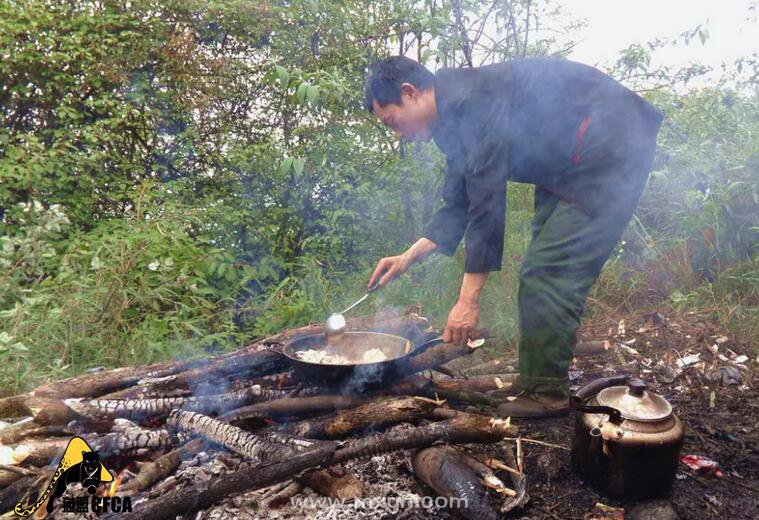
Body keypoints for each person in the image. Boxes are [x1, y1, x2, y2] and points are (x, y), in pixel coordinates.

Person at [364, 56, 663, 418]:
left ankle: (546, 392)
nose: (398, 133)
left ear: (408, 93)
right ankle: (537, 380)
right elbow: (461, 201)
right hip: (565, 168)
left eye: (392, 121)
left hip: (608, 146)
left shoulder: (470, 100)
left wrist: (467, 300)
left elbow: (488, 200)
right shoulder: (451, 118)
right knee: (542, 269)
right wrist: (407, 257)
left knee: (548, 272)